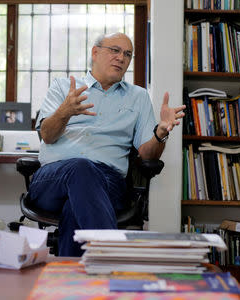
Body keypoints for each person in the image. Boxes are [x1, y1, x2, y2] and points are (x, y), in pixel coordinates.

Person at [29, 32, 186, 257]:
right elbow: (47, 135)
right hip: (54, 178)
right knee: (81, 169)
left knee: (76, 207)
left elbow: (148, 155)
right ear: (95, 52)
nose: (121, 58)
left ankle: (70, 285)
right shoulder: (64, 88)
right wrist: (65, 112)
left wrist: (161, 133)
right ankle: (111, 258)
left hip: (108, 182)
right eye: (115, 50)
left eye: (127, 54)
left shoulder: (138, 97)